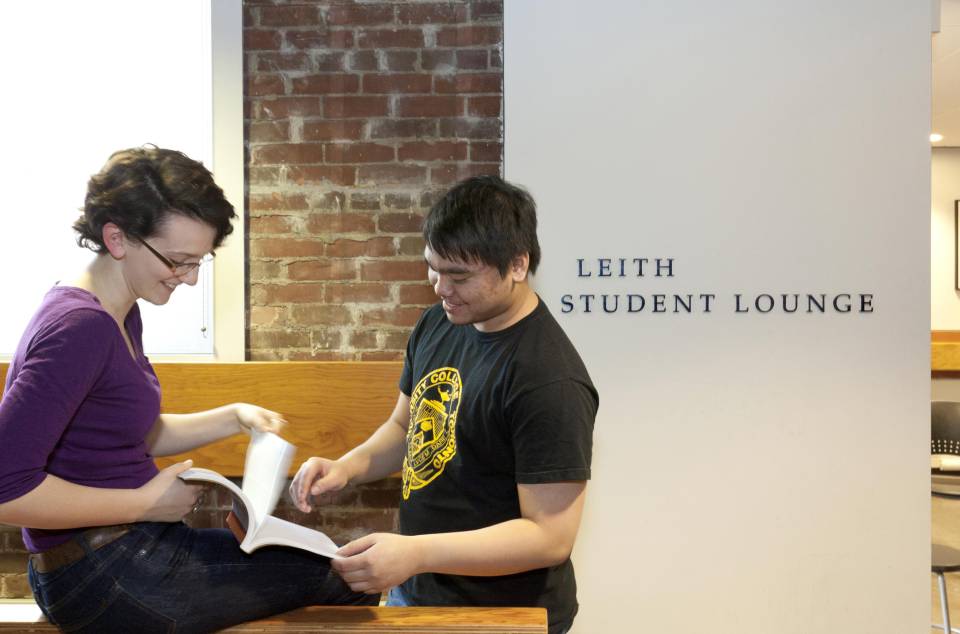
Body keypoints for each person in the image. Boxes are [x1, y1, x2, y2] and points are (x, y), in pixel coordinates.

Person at [0, 147, 376, 633]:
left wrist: (233, 416)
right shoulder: (79, 328)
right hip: (101, 570)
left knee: (329, 563)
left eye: (199, 261)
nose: (191, 278)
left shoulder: (117, 311)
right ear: (116, 237)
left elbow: (126, 433)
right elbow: (7, 489)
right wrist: (143, 504)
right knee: (353, 577)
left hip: (122, 553)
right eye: (178, 261)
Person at [290, 175, 598, 634]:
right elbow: (404, 426)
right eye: (433, 267)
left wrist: (416, 551)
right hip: (417, 590)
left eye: (459, 275)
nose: (439, 287)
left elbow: (549, 537)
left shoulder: (548, 378)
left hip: (506, 614)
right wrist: (348, 467)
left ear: (517, 264)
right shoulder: (439, 322)